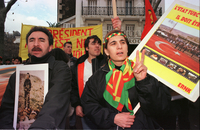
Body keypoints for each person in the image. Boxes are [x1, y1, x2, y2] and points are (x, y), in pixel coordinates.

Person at [80, 29, 171, 129]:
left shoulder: (143, 71)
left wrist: (143, 82)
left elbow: (160, 108)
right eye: (113, 43)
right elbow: (88, 105)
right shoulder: (97, 78)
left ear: (127, 48)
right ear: (106, 51)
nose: (119, 46)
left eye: (122, 42)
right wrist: (112, 118)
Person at [0, 26, 71, 129]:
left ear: (50, 47)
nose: (36, 44)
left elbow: (54, 105)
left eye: (41, 40)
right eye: (32, 40)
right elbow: (7, 111)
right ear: (27, 45)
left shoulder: (60, 69)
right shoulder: (16, 76)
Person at [70, 35, 107, 129]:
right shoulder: (78, 66)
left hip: (105, 110)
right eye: (93, 43)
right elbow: (73, 88)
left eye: (99, 43)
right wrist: (77, 104)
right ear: (87, 48)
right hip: (86, 110)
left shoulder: (106, 63)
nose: (97, 46)